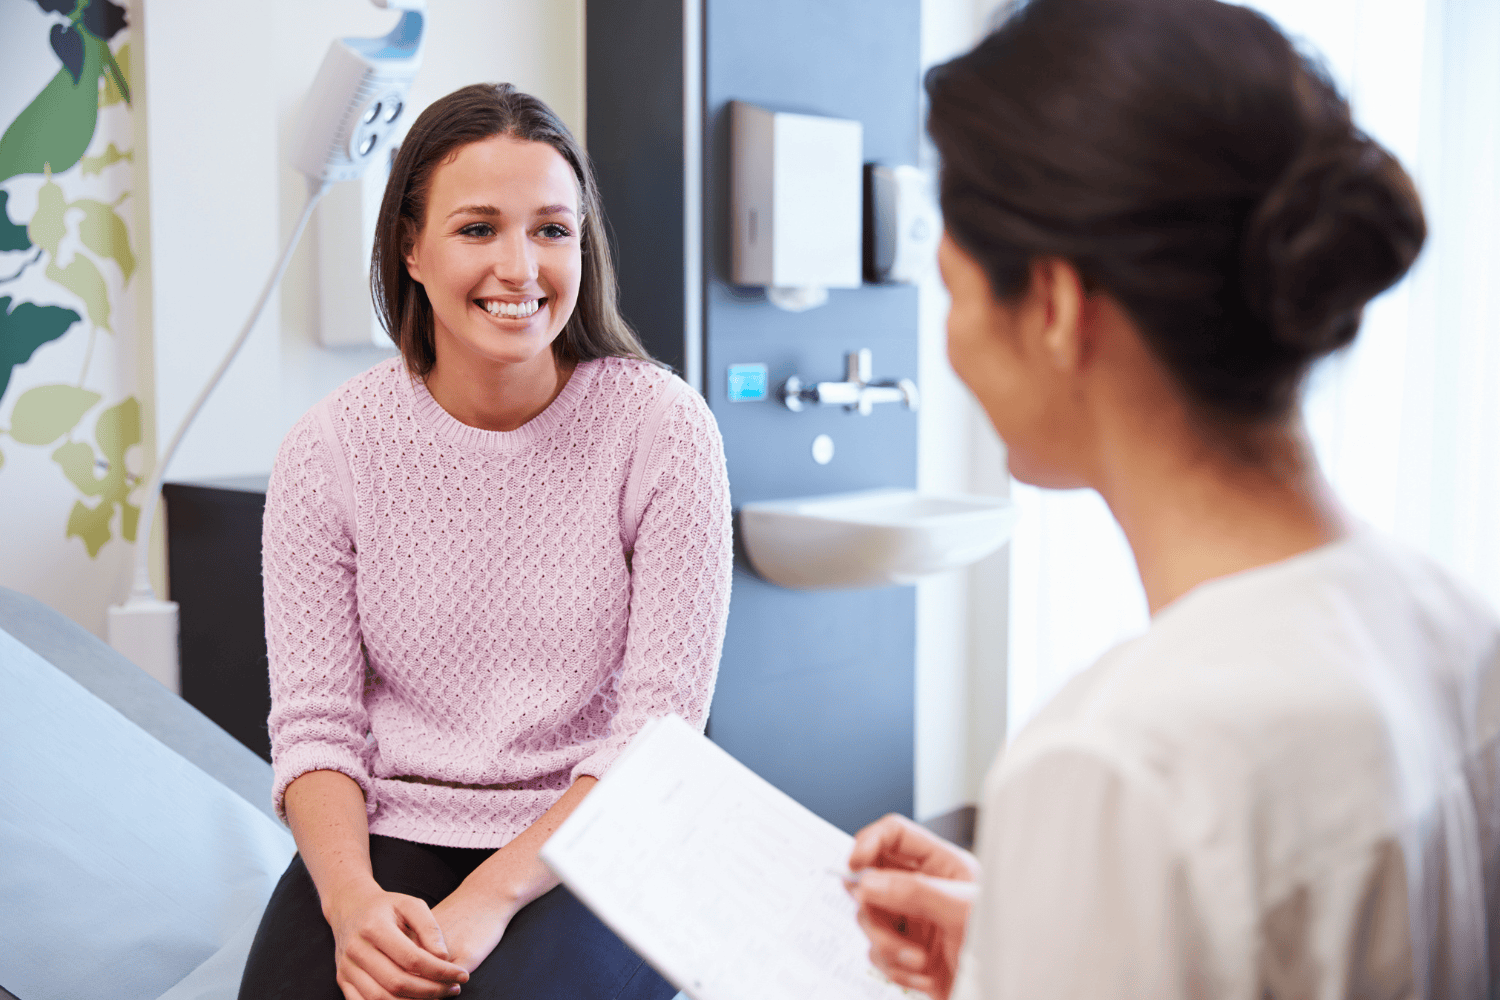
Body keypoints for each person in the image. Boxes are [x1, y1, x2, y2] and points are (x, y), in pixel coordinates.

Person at [846, 1, 1500, 997]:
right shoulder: (1451, 624)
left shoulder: (1116, 762)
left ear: (1055, 306)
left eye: (953, 289)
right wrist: (1023, 945)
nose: (952, 346)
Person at [240, 83, 733, 1000]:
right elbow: (316, 726)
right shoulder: (330, 449)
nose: (520, 267)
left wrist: (489, 898)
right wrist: (351, 902)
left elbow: (658, 736)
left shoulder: (663, 430)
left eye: (551, 230)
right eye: (478, 229)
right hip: (394, 826)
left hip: (601, 828)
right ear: (411, 248)